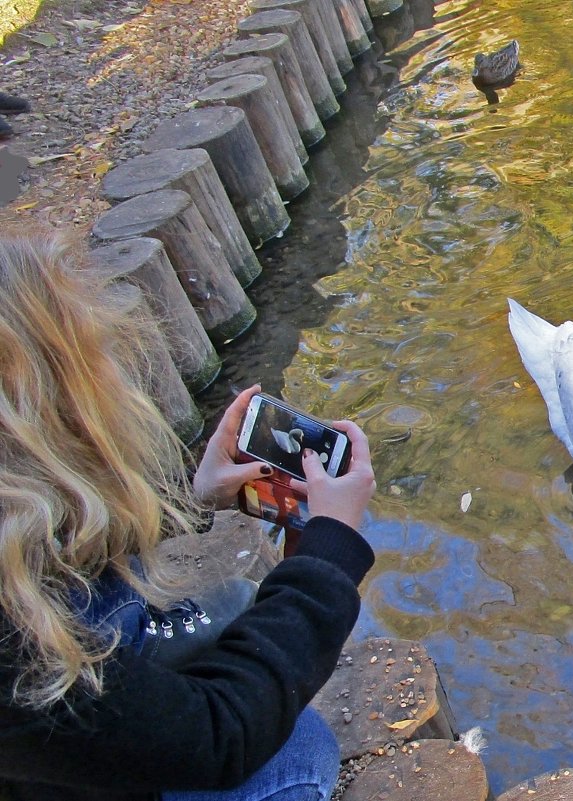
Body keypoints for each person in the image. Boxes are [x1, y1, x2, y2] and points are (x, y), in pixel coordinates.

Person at [0, 229, 378, 801]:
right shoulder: (19, 656)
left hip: (45, 743)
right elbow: (221, 737)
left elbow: (52, 539)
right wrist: (328, 558)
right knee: (300, 749)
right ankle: (126, 648)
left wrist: (194, 498)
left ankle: (127, 639)